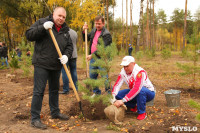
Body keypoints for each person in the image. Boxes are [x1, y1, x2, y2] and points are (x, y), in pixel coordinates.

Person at [25, 7, 73, 130]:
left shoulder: (66, 30)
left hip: (56, 65)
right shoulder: (42, 22)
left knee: (54, 90)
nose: (61, 18)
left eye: (63, 17)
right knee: (39, 91)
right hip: (41, 63)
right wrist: (43, 28)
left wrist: (66, 56)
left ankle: (55, 112)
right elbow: (29, 35)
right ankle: (35, 119)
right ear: (53, 14)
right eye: (59, 15)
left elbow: (69, 46)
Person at [111, 56, 155, 120]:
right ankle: (134, 106)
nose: (125, 68)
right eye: (124, 66)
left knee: (141, 91)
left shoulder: (140, 72)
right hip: (135, 92)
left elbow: (137, 88)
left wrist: (123, 101)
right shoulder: (123, 72)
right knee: (118, 95)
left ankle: (142, 113)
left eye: (127, 66)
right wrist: (113, 96)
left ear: (133, 64)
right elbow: (117, 85)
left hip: (148, 93)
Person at [82, 15, 112, 96]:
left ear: (103, 23)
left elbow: (102, 49)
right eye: (96, 24)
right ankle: (96, 92)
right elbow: (86, 38)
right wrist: (84, 31)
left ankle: (110, 95)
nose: (97, 25)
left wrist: (92, 55)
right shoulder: (94, 30)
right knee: (92, 76)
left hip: (102, 59)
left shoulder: (107, 34)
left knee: (105, 78)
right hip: (93, 59)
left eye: (99, 24)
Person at [60, 28, 78, 94]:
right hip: (74, 54)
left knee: (64, 71)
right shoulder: (74, 32)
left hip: (65, 55)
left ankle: (66, 89)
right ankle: (76, 88)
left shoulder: (62, 33)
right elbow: (76, 42)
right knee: (73, 71)